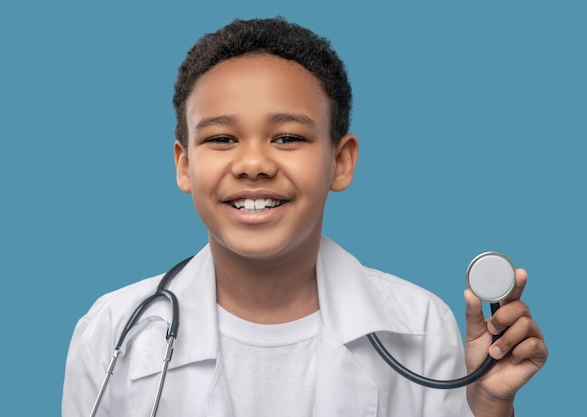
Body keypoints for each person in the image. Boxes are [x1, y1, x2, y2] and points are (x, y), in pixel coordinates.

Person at [62, 17, 547, 417]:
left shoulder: (419, 326)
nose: (253, 163)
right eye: (221, 139)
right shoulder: (112, 332)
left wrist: (485, 402)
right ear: (184, 164)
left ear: (340, 162)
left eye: (288, 138)